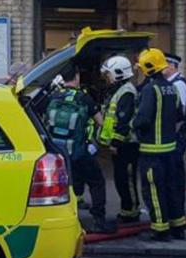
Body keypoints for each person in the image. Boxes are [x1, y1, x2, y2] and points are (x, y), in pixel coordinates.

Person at [46, 64, 111, 234]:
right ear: (77, 77)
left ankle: (69, 221)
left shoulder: (53, 96)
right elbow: (101, 122)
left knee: (67, 185)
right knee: (97, 183)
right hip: (80, 152)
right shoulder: (84, 98)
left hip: (59, 153)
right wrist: (96, 144)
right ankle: (99, 220)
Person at [133, 48, 185, 241]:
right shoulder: (173, 88)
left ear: (148, 68)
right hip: (170, 150)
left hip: (151, 152)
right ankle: (178, 227)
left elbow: (143, 119)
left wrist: (133, 124)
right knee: (171, 188)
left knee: (153, 191)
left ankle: (160, 230)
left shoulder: (150, 89)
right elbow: (180, 116)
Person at [98, 55, 141, 224]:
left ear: (118, 73)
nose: (107, 78)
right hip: (121, 143)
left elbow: (124, 120)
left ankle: (131, 212)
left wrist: (115, 142)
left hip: (127, 145)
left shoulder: (127, 92)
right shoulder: (119, 90)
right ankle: (126, 209)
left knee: (127, 179)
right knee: (120, 178)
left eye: (108, 74)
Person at [163, 52, 186, 222]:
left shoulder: (178, 84)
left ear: (172, 66)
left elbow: (178, 114)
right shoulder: (170, 83)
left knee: (174, 176)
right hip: (173, 136)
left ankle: (177, 214)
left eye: (163, 64)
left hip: (176, 136)